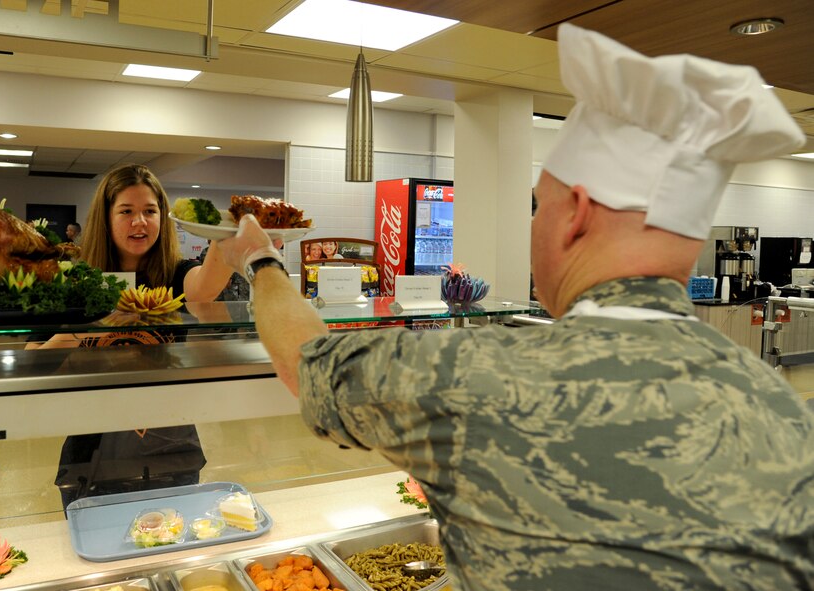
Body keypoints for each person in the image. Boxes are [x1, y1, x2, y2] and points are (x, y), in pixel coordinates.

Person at [215, 24, 814, 591]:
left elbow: (307, 361)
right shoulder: (787, 416)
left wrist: (263, 262)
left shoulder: (475, 379)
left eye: (538, 205)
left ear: (576, 213)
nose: (533, 222)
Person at [49, 163, 239, 509]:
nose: (140, 222)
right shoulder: (78, 281)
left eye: (150, 211)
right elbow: (37, 359)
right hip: (90, 451)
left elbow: (204, 290)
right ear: (105, 218)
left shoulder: (174, 273)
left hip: (170, 448)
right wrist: (88, 325)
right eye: (127, 211)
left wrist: (226, 235)